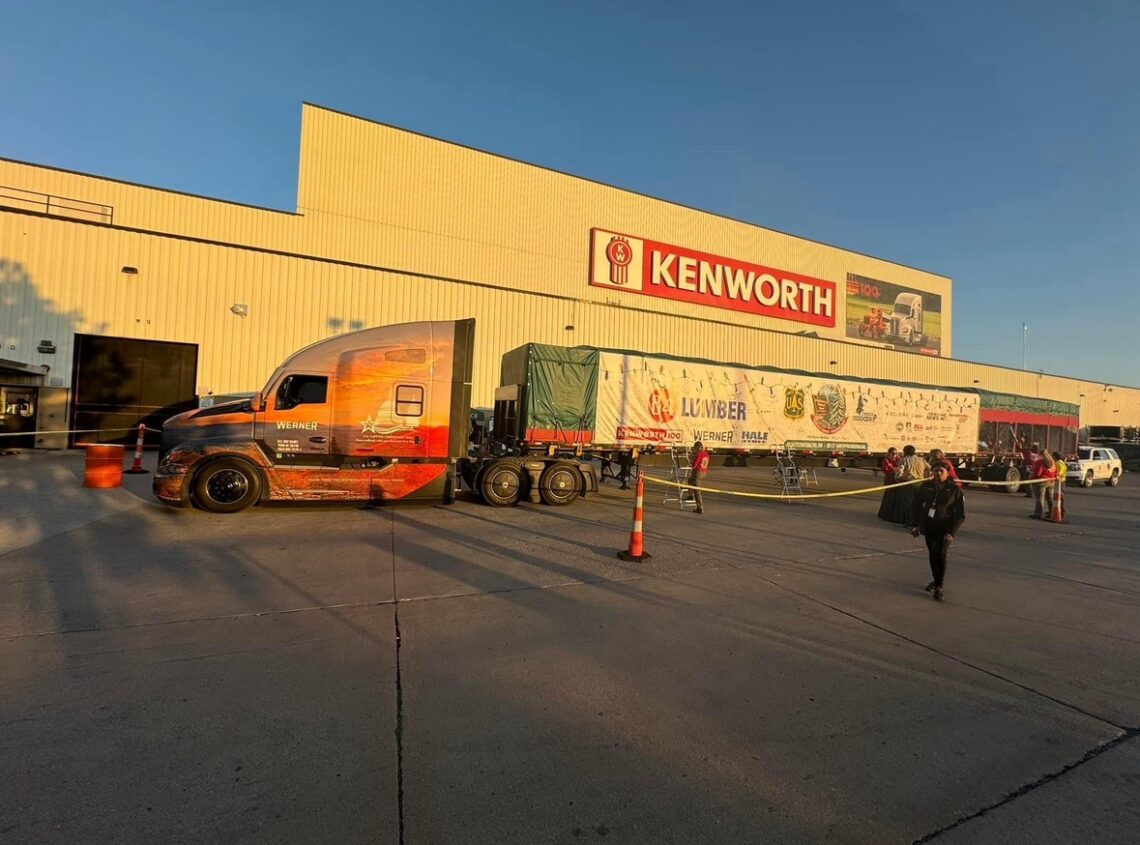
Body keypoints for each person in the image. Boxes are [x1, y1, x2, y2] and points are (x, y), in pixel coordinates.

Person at [911, 462, 966, 602]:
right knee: (933, 554)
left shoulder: (954, 490)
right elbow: (916, 505)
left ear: (947, 473)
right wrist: (916, 525)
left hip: (945, 527)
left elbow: (960, 515)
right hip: (929, 526)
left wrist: (952, 532)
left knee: (941, 554)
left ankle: (939, 586)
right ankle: (936, 580)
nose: (938, 473)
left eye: (941, 471)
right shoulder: (927, 486)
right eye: (936, 470)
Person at [894, 445, 929, 527]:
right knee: (919, 503)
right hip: (920, 483)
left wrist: (897, 478)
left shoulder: (904, 460)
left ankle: (909, 522)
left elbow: (900, 472)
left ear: (905, 451)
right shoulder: (921, 459)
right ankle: (918, 521)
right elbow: (929, 468)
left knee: (908, 504)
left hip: (908, 484)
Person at [877, 447, 904, 523]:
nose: (894, 455)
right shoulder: (886, 460)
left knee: (897, 498)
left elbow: (901, 467)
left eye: (896, 453)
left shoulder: (899, 459)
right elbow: (886, 469)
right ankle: (886, 514)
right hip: (890, 480)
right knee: (889, 497)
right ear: (889, 454)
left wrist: (896, 469)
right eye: (893, 453)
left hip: (898, 481)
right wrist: (895, 469)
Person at [1030, 450, 1058, 519]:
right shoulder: (1052, 462)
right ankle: (1051, 513)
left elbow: (1037, 473)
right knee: (1050, 498)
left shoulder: (1040, 462)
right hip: (1051, 481)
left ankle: (1038, 514)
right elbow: (1056, 471)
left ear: (1040, 455)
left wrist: (1031, 477)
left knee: (1040, 498)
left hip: (1041, 482)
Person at [688, 440, 711, 514]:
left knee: (697, 491)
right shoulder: (706, 454)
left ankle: (700, 508)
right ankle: (690, 495)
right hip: (704, 472)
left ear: (698, 447)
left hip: (698, 472)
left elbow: (695, 464)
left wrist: (691, 464)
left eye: (695, 448)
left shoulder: (699, 454)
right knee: (690, 480)